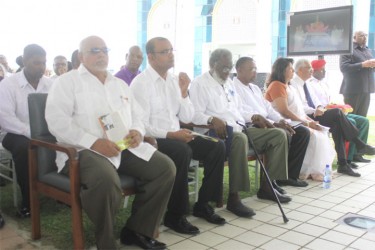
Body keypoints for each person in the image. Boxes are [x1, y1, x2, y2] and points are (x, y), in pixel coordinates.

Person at [45, 35, 175, 250]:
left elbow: (138, 116)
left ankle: (137, 231)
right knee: (106, 180)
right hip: (84, 151)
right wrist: (93, 142)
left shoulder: (120, 84)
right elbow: (57, 122)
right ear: (80, 56)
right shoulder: (66, 83)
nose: (101, 55)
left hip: (122, 147)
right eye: (94, 50)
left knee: (164, 168)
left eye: (104, 50)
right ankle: (105, 242)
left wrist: (137, 131)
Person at [131, 37, 226, 233]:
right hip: (155, 139)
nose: (171, 54)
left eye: (171, 50)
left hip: (178, 134)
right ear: (151, 57)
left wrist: (183, 93)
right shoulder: (140, 83)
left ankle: (203, 205)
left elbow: (187, 116)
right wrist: (172, 134)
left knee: (217, 146)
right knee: (182, 151)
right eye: (165, 51)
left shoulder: (174, 81)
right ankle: (175, 216)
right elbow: (141, 125)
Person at [189, 48, 291, 218]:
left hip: (239, 126)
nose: (228, 71)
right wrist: (212, 120)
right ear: (212, 65)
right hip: (214, 132)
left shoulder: (228, 82)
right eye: (224, 67)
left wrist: (253, 116)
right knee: (240, 139)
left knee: (278, 135)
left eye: (229, 67)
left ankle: (268, 186)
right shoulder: (200, 83)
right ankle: (234, 197)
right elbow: (195, 114)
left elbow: (238, 109)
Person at [290, 58, 375, 177]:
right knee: (336, 113)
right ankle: (359, 144)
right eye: (309, 68)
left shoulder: (306, 83)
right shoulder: (294, 84)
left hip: (315, 113)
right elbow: (299, 107)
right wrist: (315, 110)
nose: (311, 71)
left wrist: (319, 107)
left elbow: (315, 100)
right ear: (299, 70)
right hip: (306, 117)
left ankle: (343, 164)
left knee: (337, 125)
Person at [234, 57, 310, 186]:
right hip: (251, 126)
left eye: (256, 69)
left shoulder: (254, 88)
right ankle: (271, 183)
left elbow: (268, 108)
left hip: (266, 123)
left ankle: (282, 178)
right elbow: (240, 111)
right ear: (239, 70)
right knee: (281, 134)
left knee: (300, 131)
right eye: (252, 69)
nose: (255, 72)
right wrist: (271, 122)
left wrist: (281, 120)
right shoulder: (234, 87)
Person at [0, 44, 53, 218]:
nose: (41, 67)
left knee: (66, 143)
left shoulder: (50, 85)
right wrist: (30, 132)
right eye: (36, 63)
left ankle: (61, 191)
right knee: (25, 148)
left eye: (44, 63)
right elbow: (5, 118)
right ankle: (29, 201)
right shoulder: (9, 84)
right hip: (15, 133)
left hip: (45, 133)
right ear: (24, 61)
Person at [265, 58, 335, 182]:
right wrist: (306, 123)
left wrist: (310, 121)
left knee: (321, 133)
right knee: (309, 134)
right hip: (284, 121)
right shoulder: (276, 85)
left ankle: (314, 171)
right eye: (290, 68)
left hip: (297, 119)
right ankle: (296, 173)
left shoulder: (289, 86)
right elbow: (284, 111)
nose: (293, 71)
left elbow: (299, 110)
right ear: (282, 71)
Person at [307, 59, 371, 164]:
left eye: (324, 69)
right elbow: (315, 105)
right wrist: (330, 107)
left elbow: (326, 102)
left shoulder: (324, 84)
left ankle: (357, 153)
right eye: (321, 70)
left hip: (332, 111)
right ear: (313, 71)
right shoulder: (310, 84)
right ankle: (349, 158)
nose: (324, 72)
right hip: (322, 114)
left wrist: (336, 106)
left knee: (364, 121)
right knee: (351, 122)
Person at [339, 30, 375, 117]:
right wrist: (363, 64)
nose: (364, 37)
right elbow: (344, 67)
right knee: (352, 116)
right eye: (361, 35)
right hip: (353, 89)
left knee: (362, 117)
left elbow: (371, 67)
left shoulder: (367, 50)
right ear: (354, 37)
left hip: (366, 89)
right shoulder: (348, 49)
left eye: (366, 35)